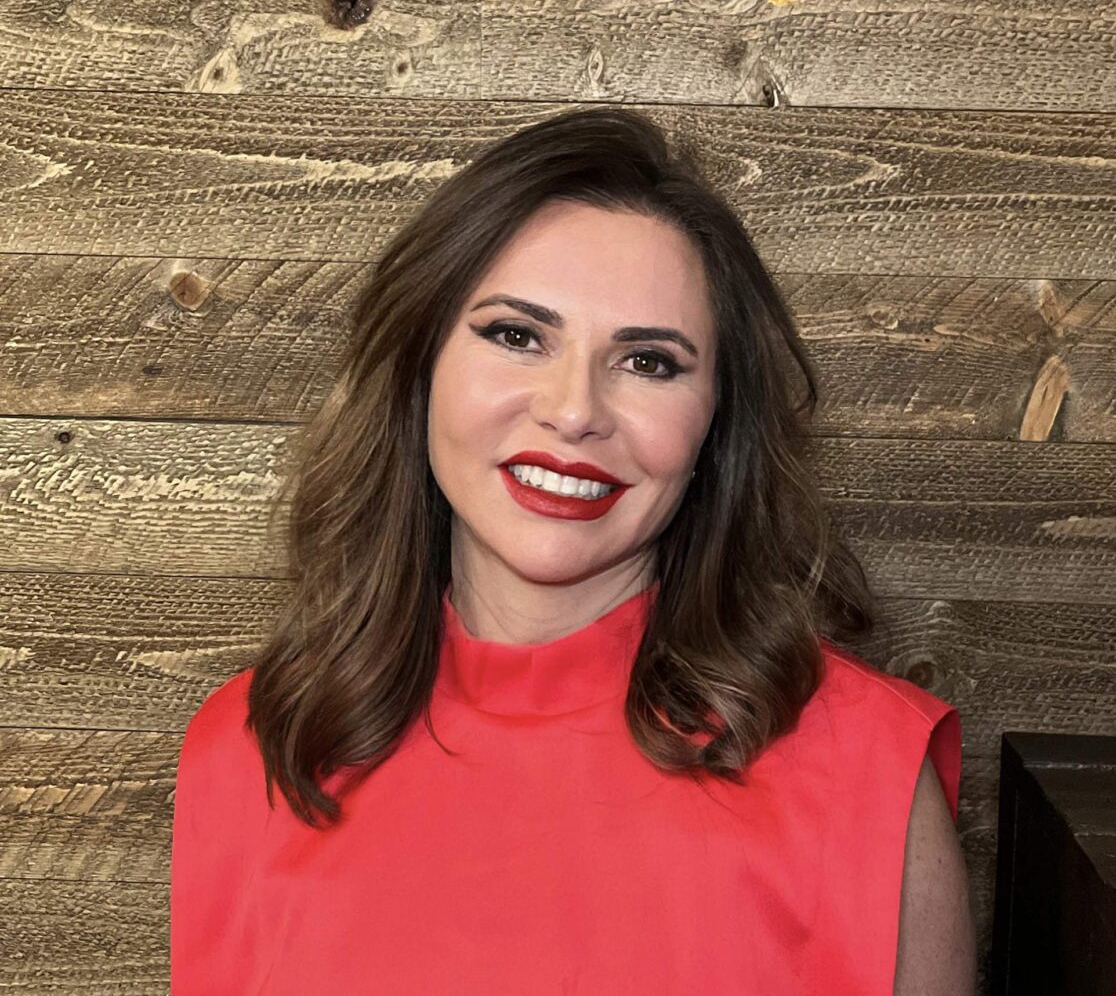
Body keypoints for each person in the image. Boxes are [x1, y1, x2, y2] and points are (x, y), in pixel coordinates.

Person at [170, 107, 976, 994]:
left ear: (716, 425)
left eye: (649, 363)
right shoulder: (250, 748)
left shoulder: (870, 774)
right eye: (517, 336)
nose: (573, 409)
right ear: (419, 370)